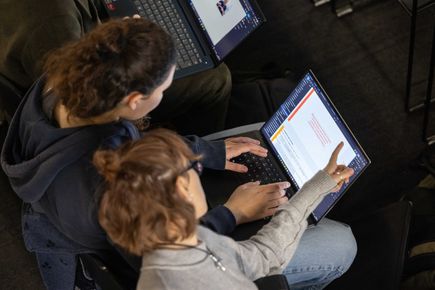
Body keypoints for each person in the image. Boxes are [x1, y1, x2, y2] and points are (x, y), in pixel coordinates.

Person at [0, 18, 289, 290]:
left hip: (59, 206)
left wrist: (204, 151)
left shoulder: (64, 77)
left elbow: (136, 150)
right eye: (163, 89)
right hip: (129, 254)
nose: (164, 94)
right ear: (135, 100)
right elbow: (166, 262)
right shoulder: (108, 185)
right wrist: (234, 213)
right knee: (335, 246)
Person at [94, 128, 356, 289]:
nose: (199, 168)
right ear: (184, 190)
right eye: (195, 167)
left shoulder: (169, 238)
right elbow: (267, 257)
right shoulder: (200, 266)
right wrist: (316, 186)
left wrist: (319, 184)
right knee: (343, 244)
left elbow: (261, 256)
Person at [0, 0, 231, 135]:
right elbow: (78, 95)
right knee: (216, 79)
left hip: (92, 54)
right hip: (91, 93)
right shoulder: (53, 24)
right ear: (134, 100)